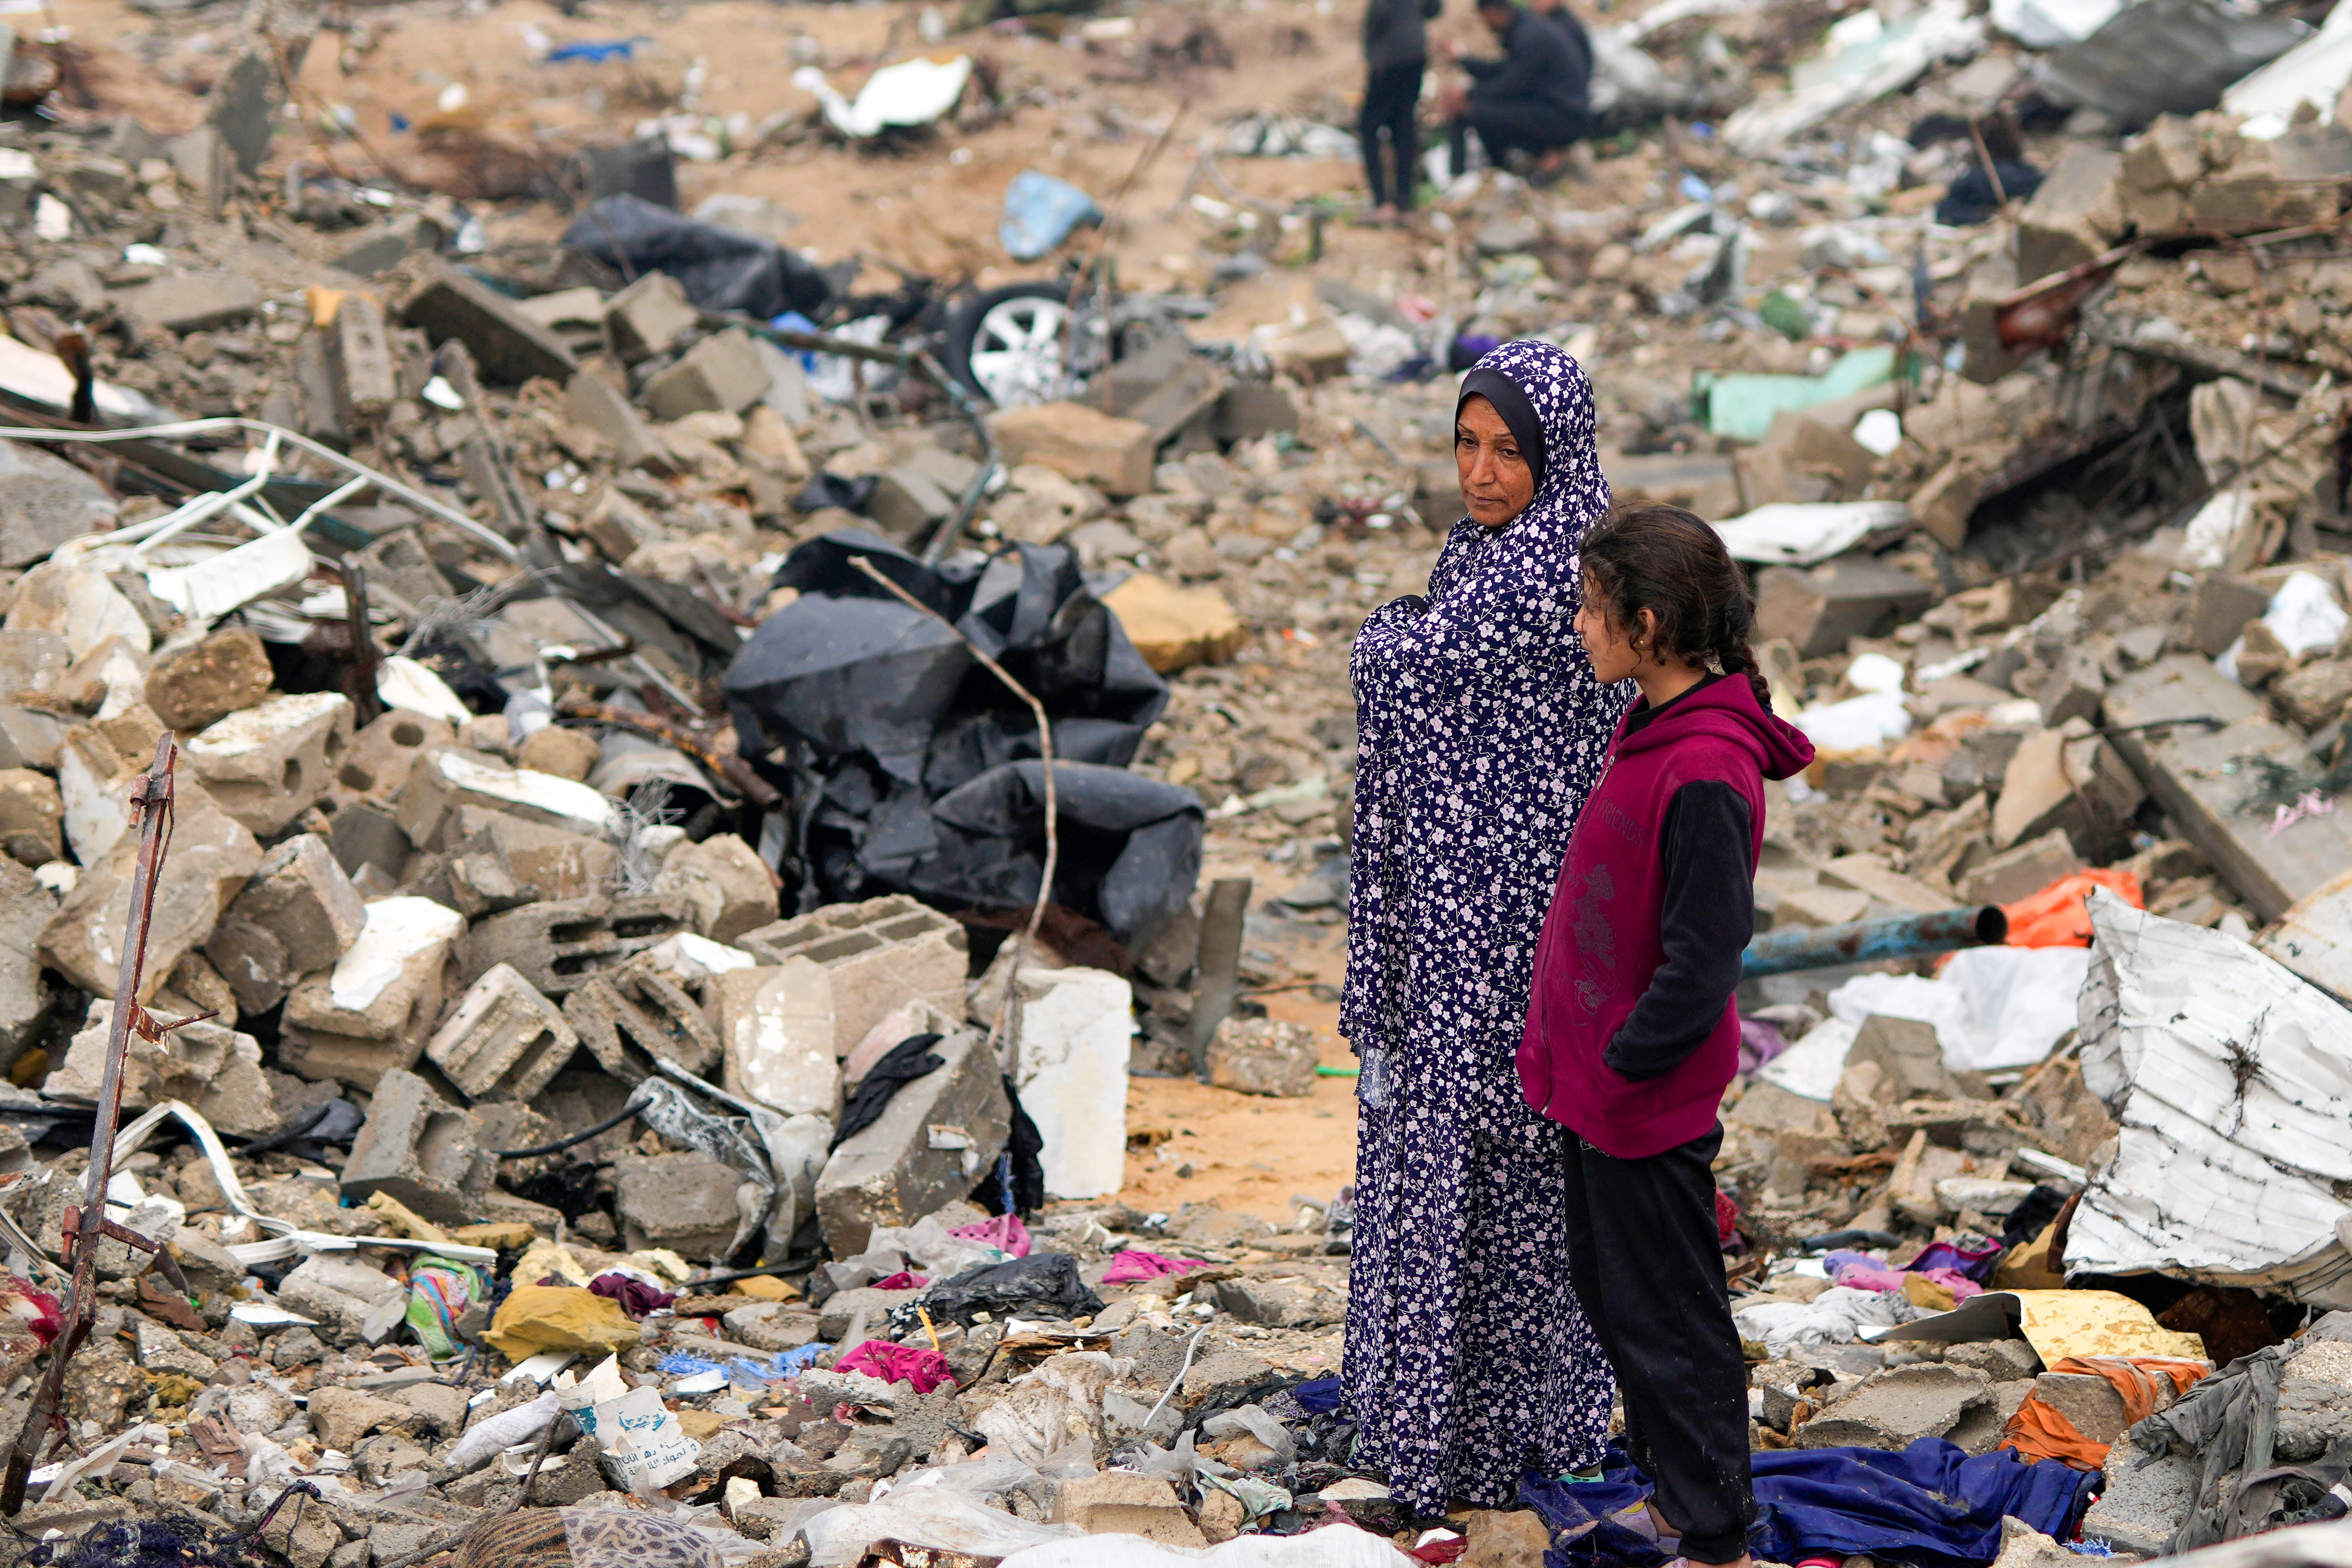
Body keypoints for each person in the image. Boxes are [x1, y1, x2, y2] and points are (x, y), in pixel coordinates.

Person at [1342, 339, 1625, 1514]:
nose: (1483, 470)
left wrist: (1387, 631)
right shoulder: (1488, 551)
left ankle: (1487, 1432)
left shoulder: (1554, 563)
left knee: (1500, 1158)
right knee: (1474, 1155)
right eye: (1467, 442)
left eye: (1510, 448)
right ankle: (1453, 1417)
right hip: (1467, 910)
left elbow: (1406, 667)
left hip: (1511, 924)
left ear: (1556, 452)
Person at [1518, 503, 1817, 1568]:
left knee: (1670, 1320)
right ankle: (1679, 1496)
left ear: (1645, 623)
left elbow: (1703, 956)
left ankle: (1716, 1538)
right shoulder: (1651, 727)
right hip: (1600, 1091)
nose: (1579, 625)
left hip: (1641, 1099)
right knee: (1615, 1298)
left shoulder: (1704, 769)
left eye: (1594, 609)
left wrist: (1624, 1058)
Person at [1436, 0, 1593, 181]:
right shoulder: (1526, 27)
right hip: (1557, 108)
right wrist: (1464, 62)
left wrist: (1468, 95)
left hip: (1565, 116)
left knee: (1476, 112)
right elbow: (1505, 71)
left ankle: (1502, 171)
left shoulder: (1529, 35)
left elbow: (1513, 85)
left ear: (1493, 12)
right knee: (1476, 107)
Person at [1360, 0, 1441, 221]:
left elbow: (1379, 16)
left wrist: (1374, 58)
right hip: (1414, 54)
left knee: (1370, 128)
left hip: (1391, 59)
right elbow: (1434, 9)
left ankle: (1383, 202)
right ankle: (1405, 202)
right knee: (1404, 125)